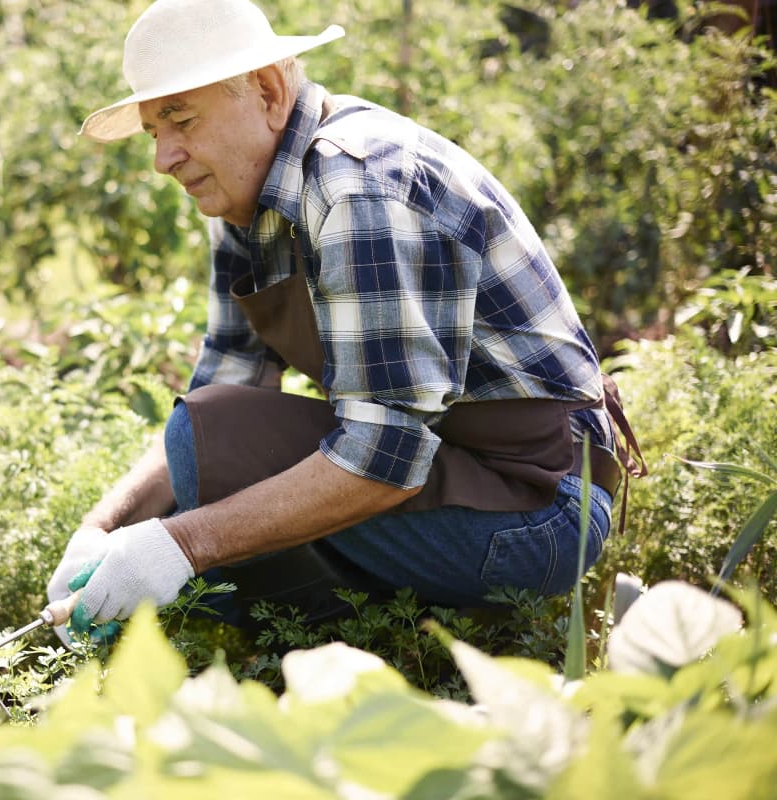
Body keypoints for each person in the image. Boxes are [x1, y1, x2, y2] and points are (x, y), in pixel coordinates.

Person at [47, 0, 645, 641]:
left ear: (270, 92)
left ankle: (309, 659)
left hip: (542, 508)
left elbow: (385, 454)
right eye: (153, 132)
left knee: (210, 452)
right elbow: (225, 384)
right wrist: (102, 529)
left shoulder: (359, 185)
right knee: (210, 429)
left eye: (182, 120)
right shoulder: (248, 200)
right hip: (459, 470)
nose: (164, 158)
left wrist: (178, 546)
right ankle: (329, 645)